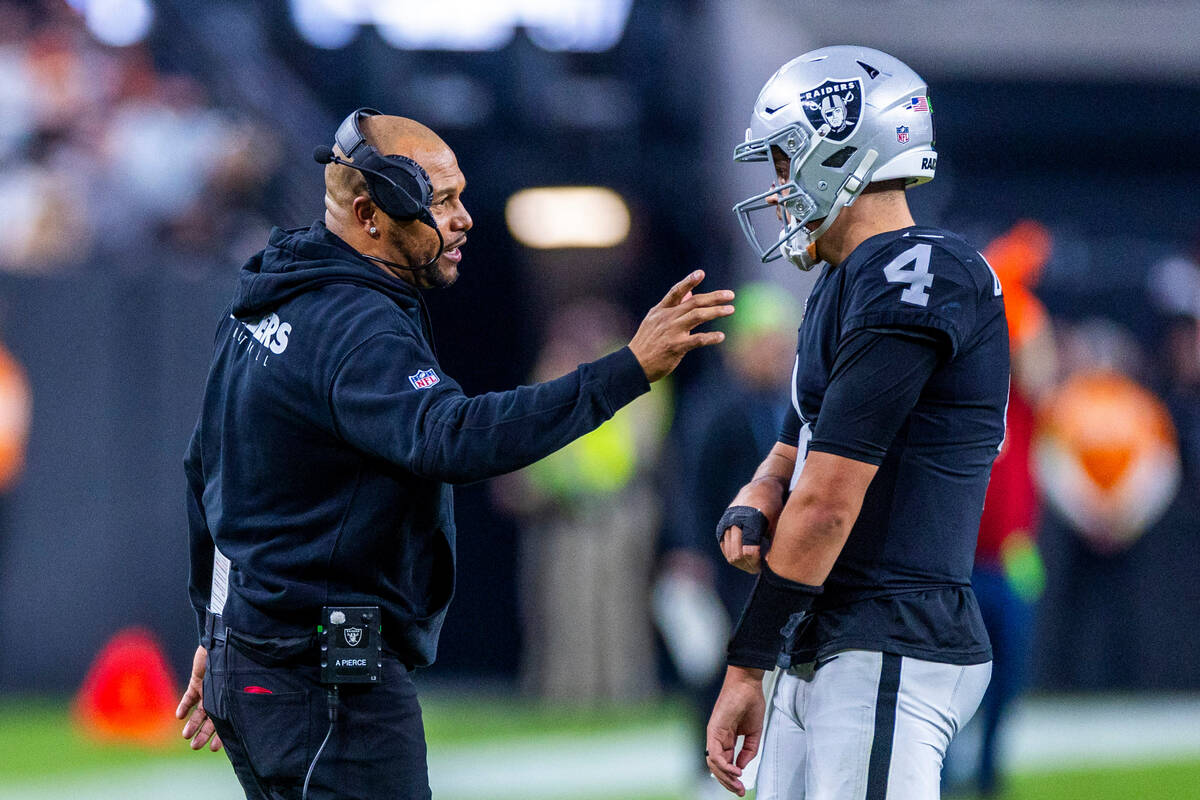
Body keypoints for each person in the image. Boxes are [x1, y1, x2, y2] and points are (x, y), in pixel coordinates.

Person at [174, 108, 734, 800]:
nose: (464, 218)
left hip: (259, 662)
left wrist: (217, 632)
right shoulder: (357, 328)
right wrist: (625, 371)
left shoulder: (272, 293)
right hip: (326, 675)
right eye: (439, 202)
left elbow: (206, 469)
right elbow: (454, 436)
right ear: (369, 215)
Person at [704, 47, 1009, 800]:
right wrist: (757, 493)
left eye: (784, 162)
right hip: (835, 632)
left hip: (889, 632)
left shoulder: (920, 274)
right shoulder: (847, 281)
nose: (777, 190)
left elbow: (830, 497)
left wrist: (747, 663)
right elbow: (795, 442)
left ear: (838, 149)